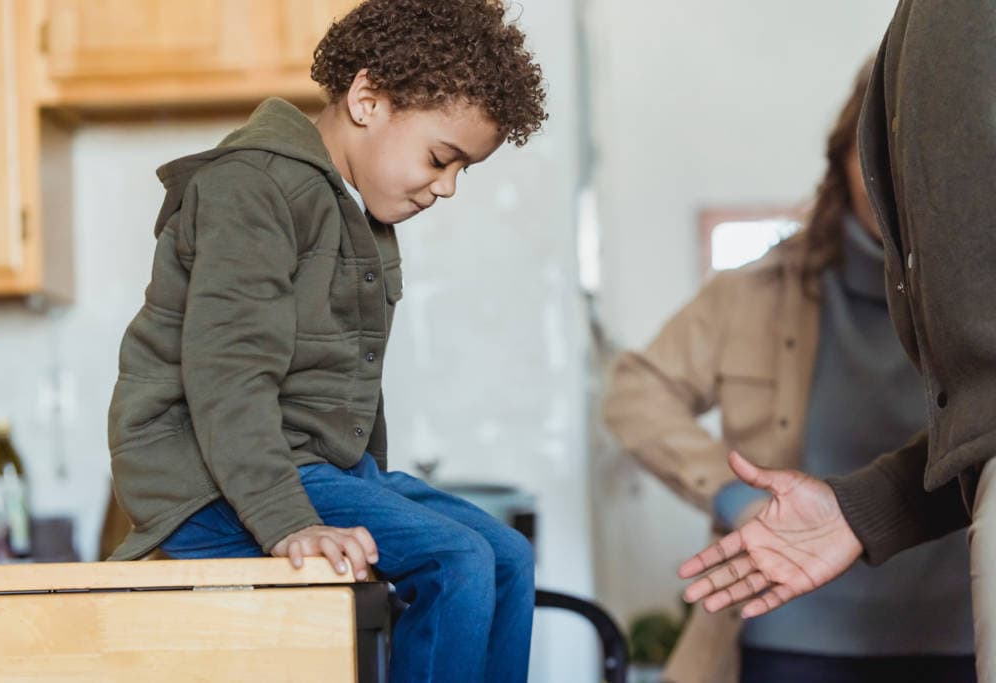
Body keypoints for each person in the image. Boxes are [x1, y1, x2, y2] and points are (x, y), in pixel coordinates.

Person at [105, 2, 546, 681]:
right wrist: (285, 521)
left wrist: (382, 504)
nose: (449, 187)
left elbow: (351, 387)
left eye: (465, 170)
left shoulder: (361, 214)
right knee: (456, 558)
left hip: (316, 471)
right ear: (368, 99)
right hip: (213, 482)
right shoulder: (251, 187)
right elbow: (227, 375)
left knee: (507, 556)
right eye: (440, 157)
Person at [604, 62, 974, 683]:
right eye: (874, 155)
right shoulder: (755, 291)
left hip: (954, 630)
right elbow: (635, 392)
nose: (894, 182)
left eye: (914, 161)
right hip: (790, 623)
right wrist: (731, 496)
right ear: (843, 159)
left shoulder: (973, 300)